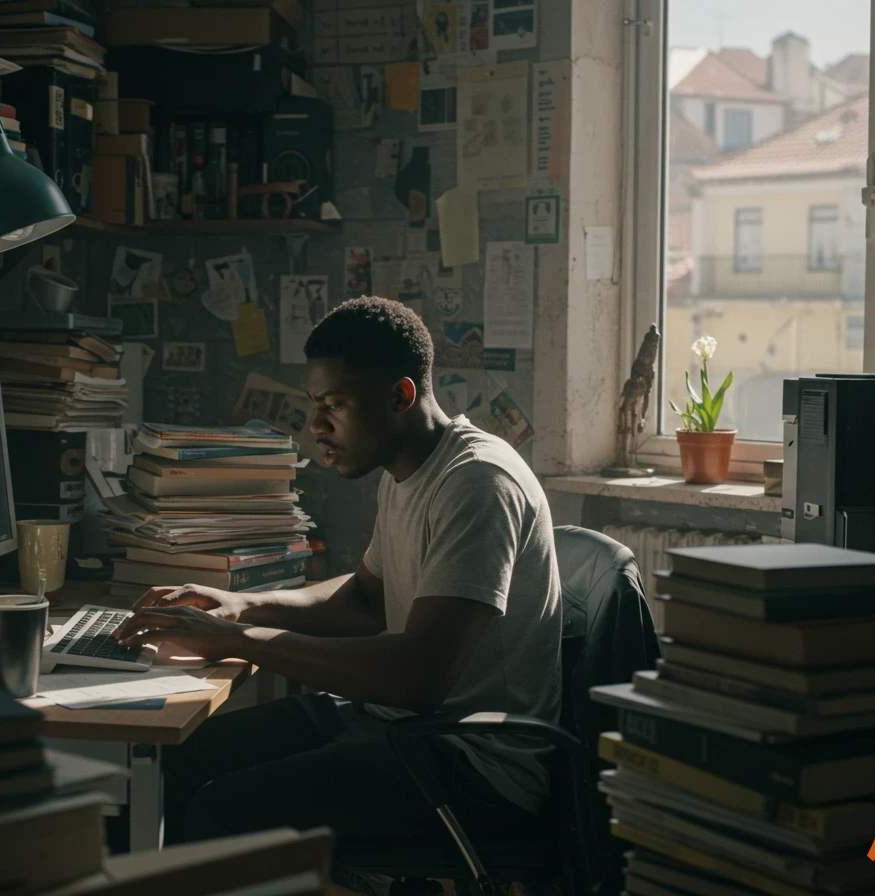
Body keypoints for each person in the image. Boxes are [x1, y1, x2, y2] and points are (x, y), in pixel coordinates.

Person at [114, 296, 563, 850]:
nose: (317, 425)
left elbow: (419, 677)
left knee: (221, 813)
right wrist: (240, 606)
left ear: (401, 396)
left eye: (335, 404)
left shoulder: (478, 483)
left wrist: (238, 639)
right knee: (170, 763)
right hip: (396, 727)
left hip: (469, 765)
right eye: (313, 404)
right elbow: (364, 602)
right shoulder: (405, 471)